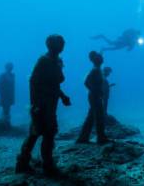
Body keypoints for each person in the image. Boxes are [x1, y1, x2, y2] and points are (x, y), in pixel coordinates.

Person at [15, 35, 72, 176]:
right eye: (61, 42)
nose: (63, 44)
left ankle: (45, 163)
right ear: (52, 45)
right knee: (37, 133)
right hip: (42, 106)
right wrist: (36, 105)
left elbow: (54, 84)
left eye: (63, 42)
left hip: (51, 105)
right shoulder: (43, 61)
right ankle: (28, 164)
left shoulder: (56, 61)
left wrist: (62, 96)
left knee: (48, 133)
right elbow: (34, 83)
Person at [76, 51, 110, 144]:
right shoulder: (95, 70)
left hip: (94, 96)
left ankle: (83, 137)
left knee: (91, 117)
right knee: (99, 117)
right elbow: (86, 82)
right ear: (97, 60)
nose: (102, 59)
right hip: (94, 96)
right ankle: (101, 138)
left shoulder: (97, 69)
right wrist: (95, 91)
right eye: (100, 58)